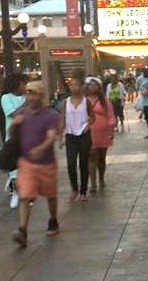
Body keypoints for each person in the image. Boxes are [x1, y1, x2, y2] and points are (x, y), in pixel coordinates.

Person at [11, 81, 60, 248]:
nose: (30, 97)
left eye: (34, 93)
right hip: (27, 163)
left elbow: (51, 137)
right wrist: (14, 125)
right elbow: (13, 135)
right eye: (28, 93)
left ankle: (53, 219)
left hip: (46, 164)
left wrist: (41, 148)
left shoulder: (50, 115)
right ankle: (22, 230)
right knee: (25, 196)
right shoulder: (22, 114)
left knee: (51, 196)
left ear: (42, 96)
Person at [59, 71, 95, 202]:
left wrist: (88, 124)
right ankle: (74, 188)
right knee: (71, 163)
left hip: (84, 135)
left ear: (81, 86)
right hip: (70, 135)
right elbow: (62, 118)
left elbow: (93, 116)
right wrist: (60, 136)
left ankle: (83, 191)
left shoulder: (86, 102)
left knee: (83, 163)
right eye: (72, 85)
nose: (74, 87)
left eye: (77, 85)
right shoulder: (66, 102)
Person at [1, 73, 28, 209]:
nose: (25, 87)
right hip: (13, 138)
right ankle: (16, 192)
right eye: (24, 83)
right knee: (14, 169)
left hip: (27, 137)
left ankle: (23, 191)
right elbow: (14, 113)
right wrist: (27, 104)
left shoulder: (26, 97)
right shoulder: (6, 98)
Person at [85, 76, 116, 193]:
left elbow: (111, 116)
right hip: (88, 132)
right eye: (90, 85)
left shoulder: (105, 101)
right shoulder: (84, 101)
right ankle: (93, 183)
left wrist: (111, 129)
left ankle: (101, 178)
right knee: (91, 156)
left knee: (101, 158)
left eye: (95, 85)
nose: (93, 87)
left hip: (103, 132)